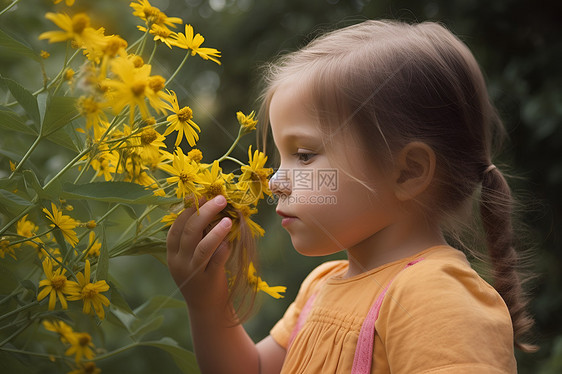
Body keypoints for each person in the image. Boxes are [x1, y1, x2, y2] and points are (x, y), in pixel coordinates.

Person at [166, 20, 536, 373]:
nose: (275, 181)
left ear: (408, 172)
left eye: (305, 155)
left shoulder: (435, 297)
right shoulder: (321, 284)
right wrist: (208, 303)